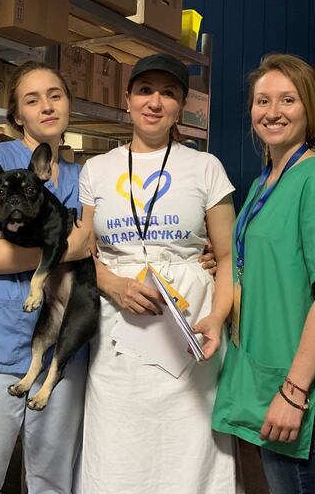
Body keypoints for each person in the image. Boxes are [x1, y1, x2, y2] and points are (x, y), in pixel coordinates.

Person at [78, 53, 238, 493]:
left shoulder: (206, 168)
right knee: (116, 441)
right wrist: (110, 282)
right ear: (127, 99)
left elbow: (227, 257)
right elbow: (81, 252)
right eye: (145, 90)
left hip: (190, 322)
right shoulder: (97, 169)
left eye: (168, 93)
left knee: (189, 443)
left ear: (181, 106)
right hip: (116, 322)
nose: (155, 101)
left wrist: (218, 319)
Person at [211, 53, 315, 494]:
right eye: (262, 101)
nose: (272, 112)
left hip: (294, 386)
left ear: (310, 108)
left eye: (287, 100)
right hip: (260, 375)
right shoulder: (264, 182)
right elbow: (269, 254)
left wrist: (293, 393)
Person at [0, 61, 92, 494]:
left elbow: (107, 246)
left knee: (53, 479)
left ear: (69, 104)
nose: (47, 106)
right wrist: (69, 248)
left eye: (56, 95)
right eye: (32, 100)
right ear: (17, 116)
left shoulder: (86, 178)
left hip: (62, 354)